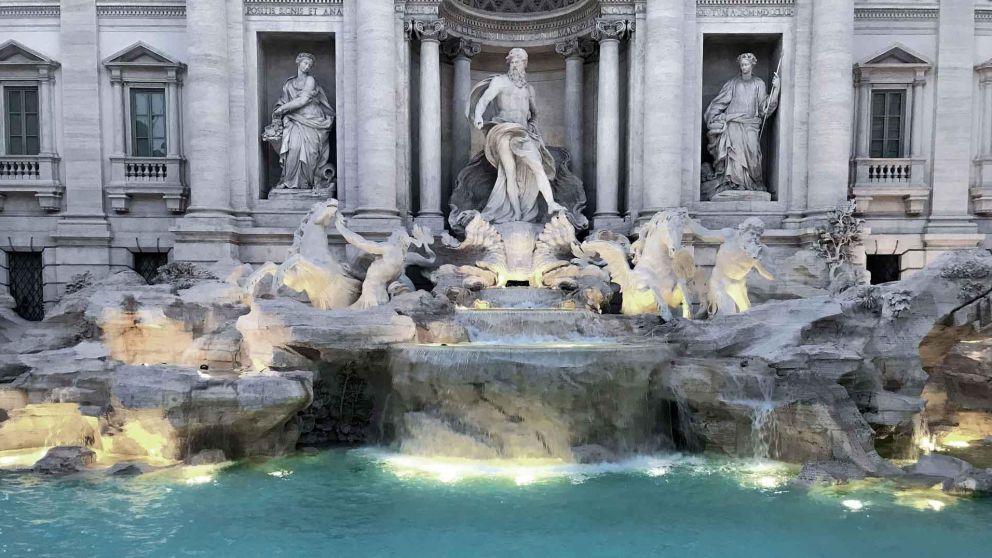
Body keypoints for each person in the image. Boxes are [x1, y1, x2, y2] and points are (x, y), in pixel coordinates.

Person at [468, 48, 566, 223]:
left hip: (523, 132)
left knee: (537, 167)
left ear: (525, 64)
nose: (514, 65)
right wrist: (478, 116)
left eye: (518, 61)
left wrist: (533, 126)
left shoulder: (529, 90)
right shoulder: (500, 81)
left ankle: (551, 203)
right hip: (503, 129)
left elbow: (534, 113)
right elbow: (484, 100)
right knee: (509, 173)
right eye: (512, 62)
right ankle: (516, 214)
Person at [704, 53, 780, 195]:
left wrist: (776, 90)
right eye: (742, 65)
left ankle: (751, 183)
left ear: (752, 65)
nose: (744, 67)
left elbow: (764, 107)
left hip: (751, 124)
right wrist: (714, 117)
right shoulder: (733, 83)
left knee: (753, 153)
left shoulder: (759, 83)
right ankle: (734, 183)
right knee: (734, 153)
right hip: (733, 123)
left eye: (746, 65)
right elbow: (720, 102)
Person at [269, 52, 335, 190]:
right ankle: (289, 181)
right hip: (294, 120)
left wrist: (281, 110)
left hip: (311, 118)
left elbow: (303, 100)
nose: (307, 66)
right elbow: (283, 101)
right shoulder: (289, 83)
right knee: (293, 148)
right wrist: (280, 108)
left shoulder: (310, 80)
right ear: (298, 62)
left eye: (310, 65)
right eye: (305, 63)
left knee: (311, 153)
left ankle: (307, 183)